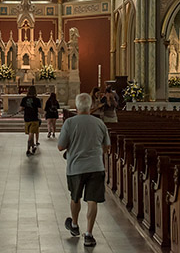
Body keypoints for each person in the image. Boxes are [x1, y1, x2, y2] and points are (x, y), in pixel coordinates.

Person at [58, 93, 111, 248]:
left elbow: (60, 146)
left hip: (76, 167)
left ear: (76, 107)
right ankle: (89, 234)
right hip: (96, 166)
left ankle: (74, 225)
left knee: (75, 197)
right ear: (90, 107)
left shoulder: (69, 123)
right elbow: (107, 147)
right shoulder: (99, 123)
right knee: (92, 200)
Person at [19, 85, 42, 156]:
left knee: (30, 134)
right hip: (34, 118)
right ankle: (28, 149)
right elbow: (39, 110)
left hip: (27, 118)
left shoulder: (24, 99)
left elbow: (21, 108)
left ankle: (32, 147)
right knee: (31, 134)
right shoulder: (37, 100)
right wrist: (44, 112)